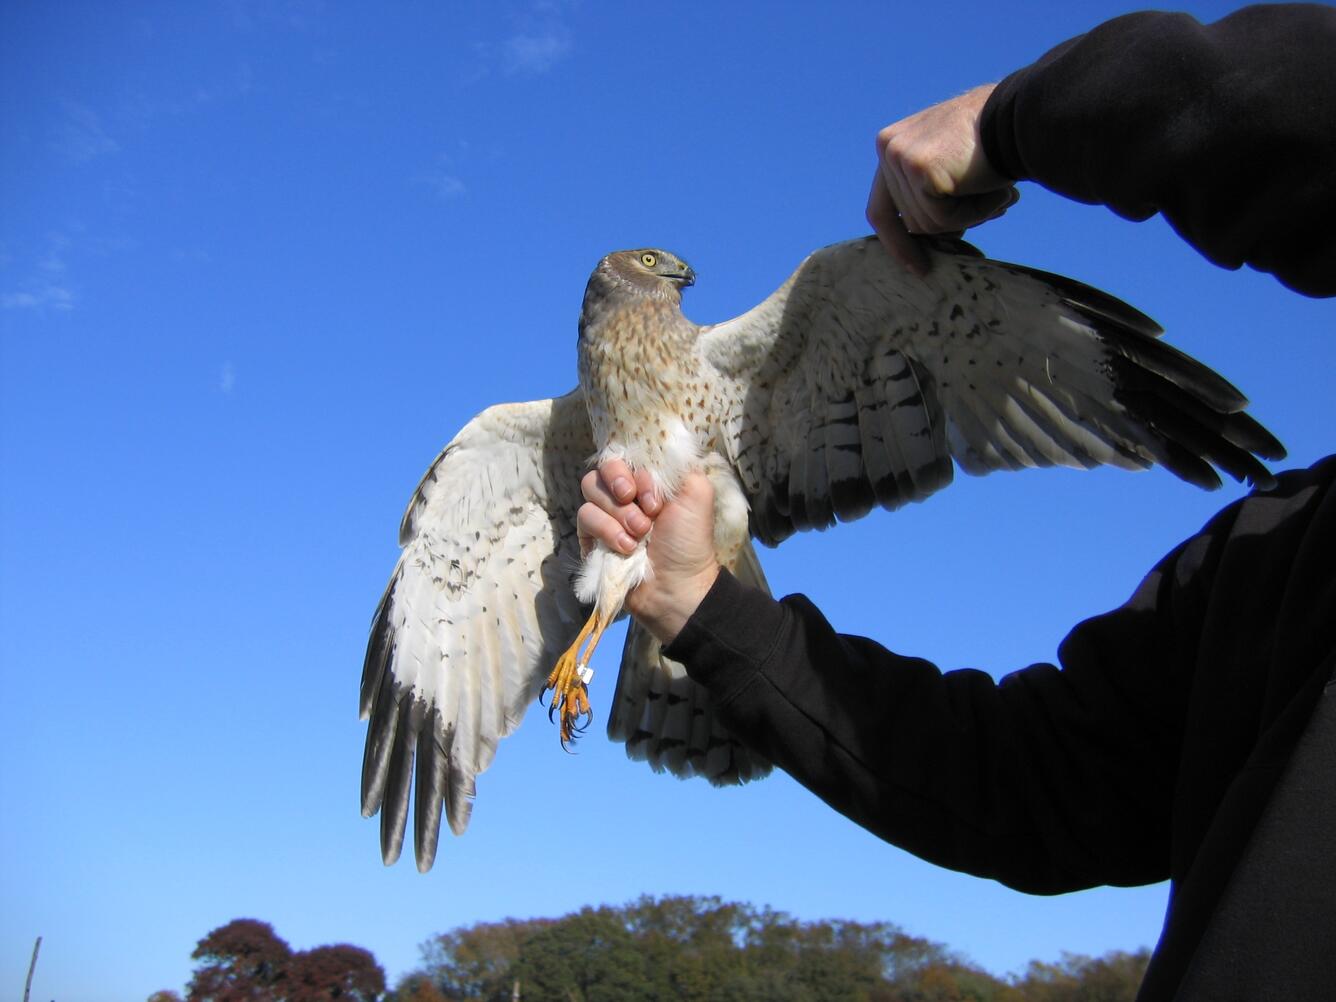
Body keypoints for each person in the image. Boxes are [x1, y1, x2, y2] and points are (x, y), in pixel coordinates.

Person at [578, 6, 1335, 1001]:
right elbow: (1028, 781)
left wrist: (1011, 118)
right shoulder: (1261, 567)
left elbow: (1278, 107)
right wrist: (701, 610)